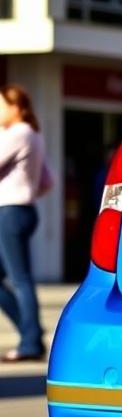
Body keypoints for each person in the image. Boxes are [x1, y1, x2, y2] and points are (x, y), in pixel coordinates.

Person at [0, 84, 51, 362]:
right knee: (18, 278)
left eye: (2, 106)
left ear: (17, 108)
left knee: (20, 279)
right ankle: (30, 332)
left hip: (10, 211)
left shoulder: (18, 133)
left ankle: (31, 342)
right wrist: (28, 191)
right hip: (22, 209)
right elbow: (48, 180)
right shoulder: (35, 136)